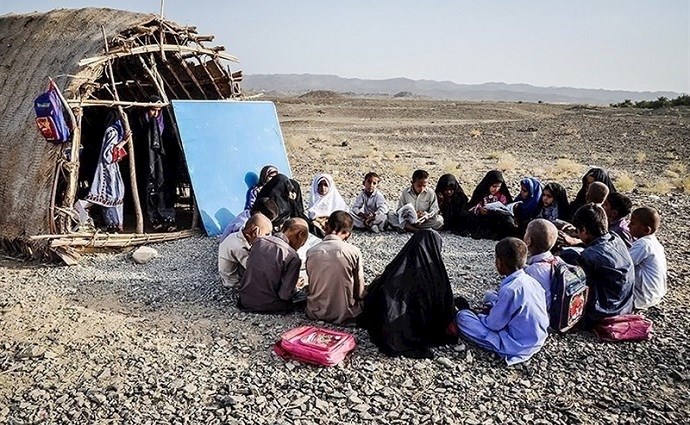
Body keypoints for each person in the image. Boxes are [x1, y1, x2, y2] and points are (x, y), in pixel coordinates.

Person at [358, 230, 456, 358]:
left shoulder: (394, 270)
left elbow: (373, 298)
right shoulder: (436, 278)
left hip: (385, 331)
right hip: (424, 331)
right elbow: (446, 310)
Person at [455, 237, 549, 365]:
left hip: (516, 345)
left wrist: (480, 315)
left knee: (462, 317)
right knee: (490, 295)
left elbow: (493, 324)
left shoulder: (510, 290)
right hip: (537, 337)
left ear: (499, 263)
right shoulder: (532, 281)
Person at [571, 204, 634, 328]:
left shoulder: (588, 256)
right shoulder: (615, 238)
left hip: (604, 314)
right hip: (625, 306)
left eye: (578, 231)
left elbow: (579, 289)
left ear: (583, 230)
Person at [238, 218, 309, 314]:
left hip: (244, 301)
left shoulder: (258, 241)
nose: (299, 247)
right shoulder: (293, 257)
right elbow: (284, 295)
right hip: (269, 306)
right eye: (302, 243)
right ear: (300, 234)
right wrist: (294, 286)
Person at [305, 211, 365, 325]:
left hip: (314, 312)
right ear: (348, 234)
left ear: (326, 226)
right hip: (345, 314)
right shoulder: (353, 251)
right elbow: (359, 292)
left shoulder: (311, 252)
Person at [79, 112, 128, 233]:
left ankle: (114, 224)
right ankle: (114, 224)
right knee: (111, 195)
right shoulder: (112, 131)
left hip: (108, 168)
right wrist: (123, 143)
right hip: (108, 169)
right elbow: (108, 155)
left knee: (110, 196)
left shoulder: (108, 130)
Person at [136, 95, 177, 232]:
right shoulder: (141, 123)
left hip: (165, 163)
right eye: (153, 110)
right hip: (146, 162)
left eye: (159, 111)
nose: (156, 114)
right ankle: (154, 218)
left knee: (165, 189)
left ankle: (168, 218)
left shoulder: (166, 124)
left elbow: (171, 143)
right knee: (150, 189)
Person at [217, 213, 273, 288]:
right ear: (255, 231)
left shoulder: (238, 235)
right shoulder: (240, 247)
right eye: (266, 234)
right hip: (232, 280)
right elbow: (253, 268)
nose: (268, 237)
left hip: (233, 268)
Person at [628, 207, 667, 309]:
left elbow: (623, 264)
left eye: (632, 223)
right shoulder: (654, 243)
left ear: (646, 230)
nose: (628, 226)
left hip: (642, 297)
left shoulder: (644, 244)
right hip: (656, 293)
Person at [523, 219, 564, 310]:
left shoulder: (532, 271)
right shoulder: (558, 260)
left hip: (546, 315)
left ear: (528, 241)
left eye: (526, 232)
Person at [467, 170, 515, 240]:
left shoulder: (502, 195)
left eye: (498, 186)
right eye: (494, 186)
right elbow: (471, 206)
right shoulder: (480, 193)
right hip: (483, 218)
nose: (496, 189)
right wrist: (480, 209)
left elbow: (507, 206)